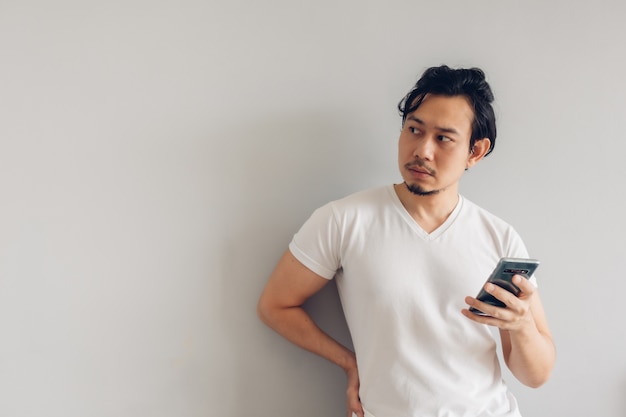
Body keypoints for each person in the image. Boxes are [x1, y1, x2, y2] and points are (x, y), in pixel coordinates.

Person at [257, 65, 556, 417]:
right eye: (414, 130)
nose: (422, 150)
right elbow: (275, 305)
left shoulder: (499, 237)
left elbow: (535, 375)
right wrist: (350, 364)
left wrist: (521, 326)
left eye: (444, 138)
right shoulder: (344, 220)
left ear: (475, 152)